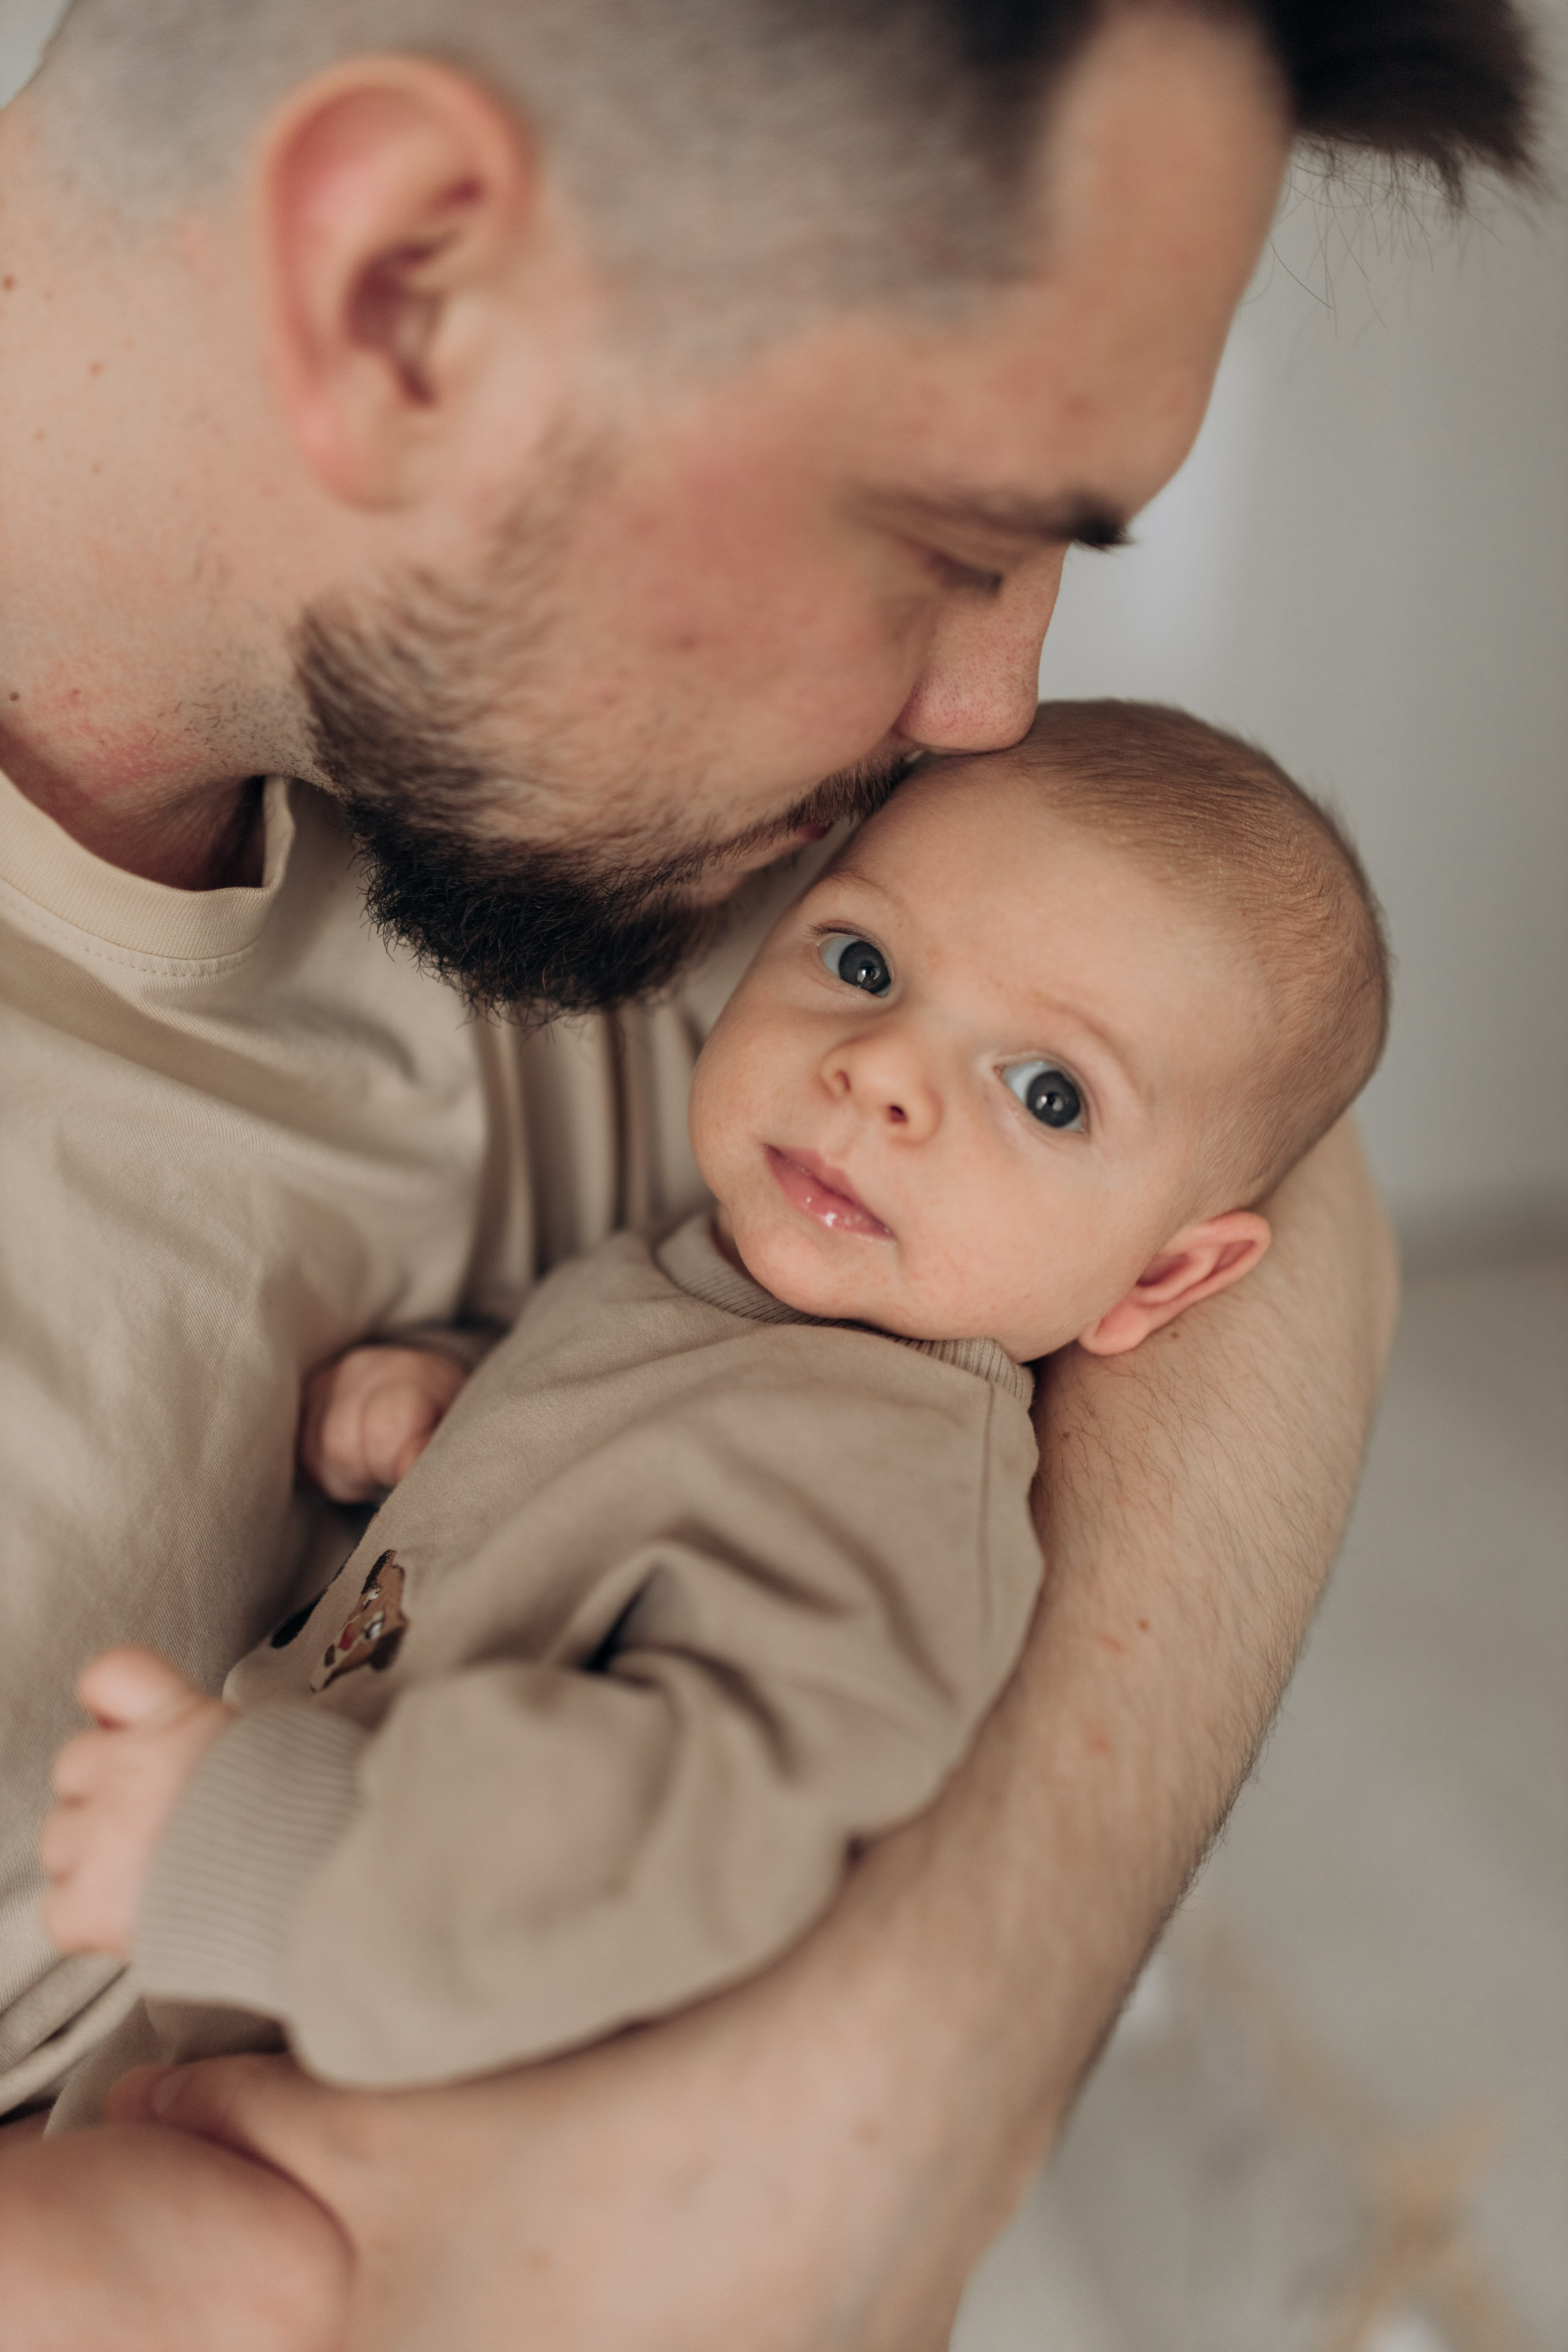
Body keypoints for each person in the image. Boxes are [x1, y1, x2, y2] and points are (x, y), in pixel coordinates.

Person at [0, 3, 1533, 2348]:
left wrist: (904, 2085)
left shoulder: (624, 771)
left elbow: (1261, 1175)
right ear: (403, 292)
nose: (998, 705)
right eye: (955, 536)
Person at [41, 699, 1390, 2123]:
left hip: (352, 2119)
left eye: (1046, 1093)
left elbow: (707, 1840)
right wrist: (467, 1396)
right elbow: (630, 1472)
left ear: (1164, 1275)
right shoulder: (738, 1300)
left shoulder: (886, 1482)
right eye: (861, 961)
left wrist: (247, 1848)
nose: (880, 1075)